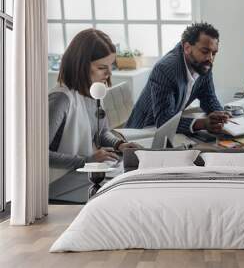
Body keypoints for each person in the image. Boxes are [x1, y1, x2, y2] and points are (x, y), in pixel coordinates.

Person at [49, 29, 137, 182]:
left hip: (85, 172)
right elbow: (38, 155)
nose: (109, 73)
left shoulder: (94, 91)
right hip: (61, 180)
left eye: (111, 66)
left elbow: (101, 133)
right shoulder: (60, 100)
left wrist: (119, 145)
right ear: (80, 66)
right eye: (102, 68)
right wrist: (87, 160)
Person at [125, 22, 229, 134]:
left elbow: (209, 98)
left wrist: (220, 115)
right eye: (205, 51)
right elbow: (164, 120)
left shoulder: (204, 64)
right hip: (144, 132)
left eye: (214, 53)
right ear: (187, 47)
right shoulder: (166, 69)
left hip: (169, 130)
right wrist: (203, 123)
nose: (210, 58)